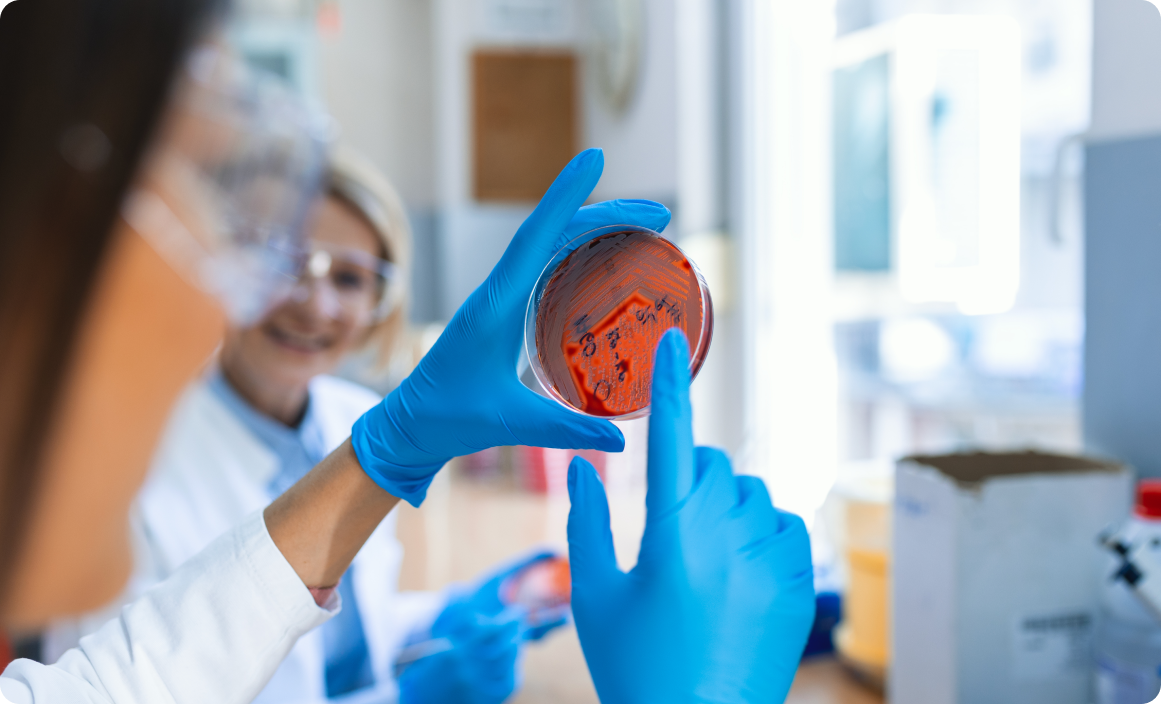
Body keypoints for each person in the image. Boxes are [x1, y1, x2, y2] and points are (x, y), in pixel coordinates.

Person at [0, 1, 816, 703]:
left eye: (349, 278)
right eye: (255, 251)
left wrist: (401, 482)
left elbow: (137, 679)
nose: (227, 301)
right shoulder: (151, 461)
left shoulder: (355, 422)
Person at [41, 148, 561, 704]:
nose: (316, 305)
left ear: (379, 304)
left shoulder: (356, 420)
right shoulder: (125, 463)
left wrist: (445, 617)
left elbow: (340, 641)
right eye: (287, 261)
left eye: (350, 278)